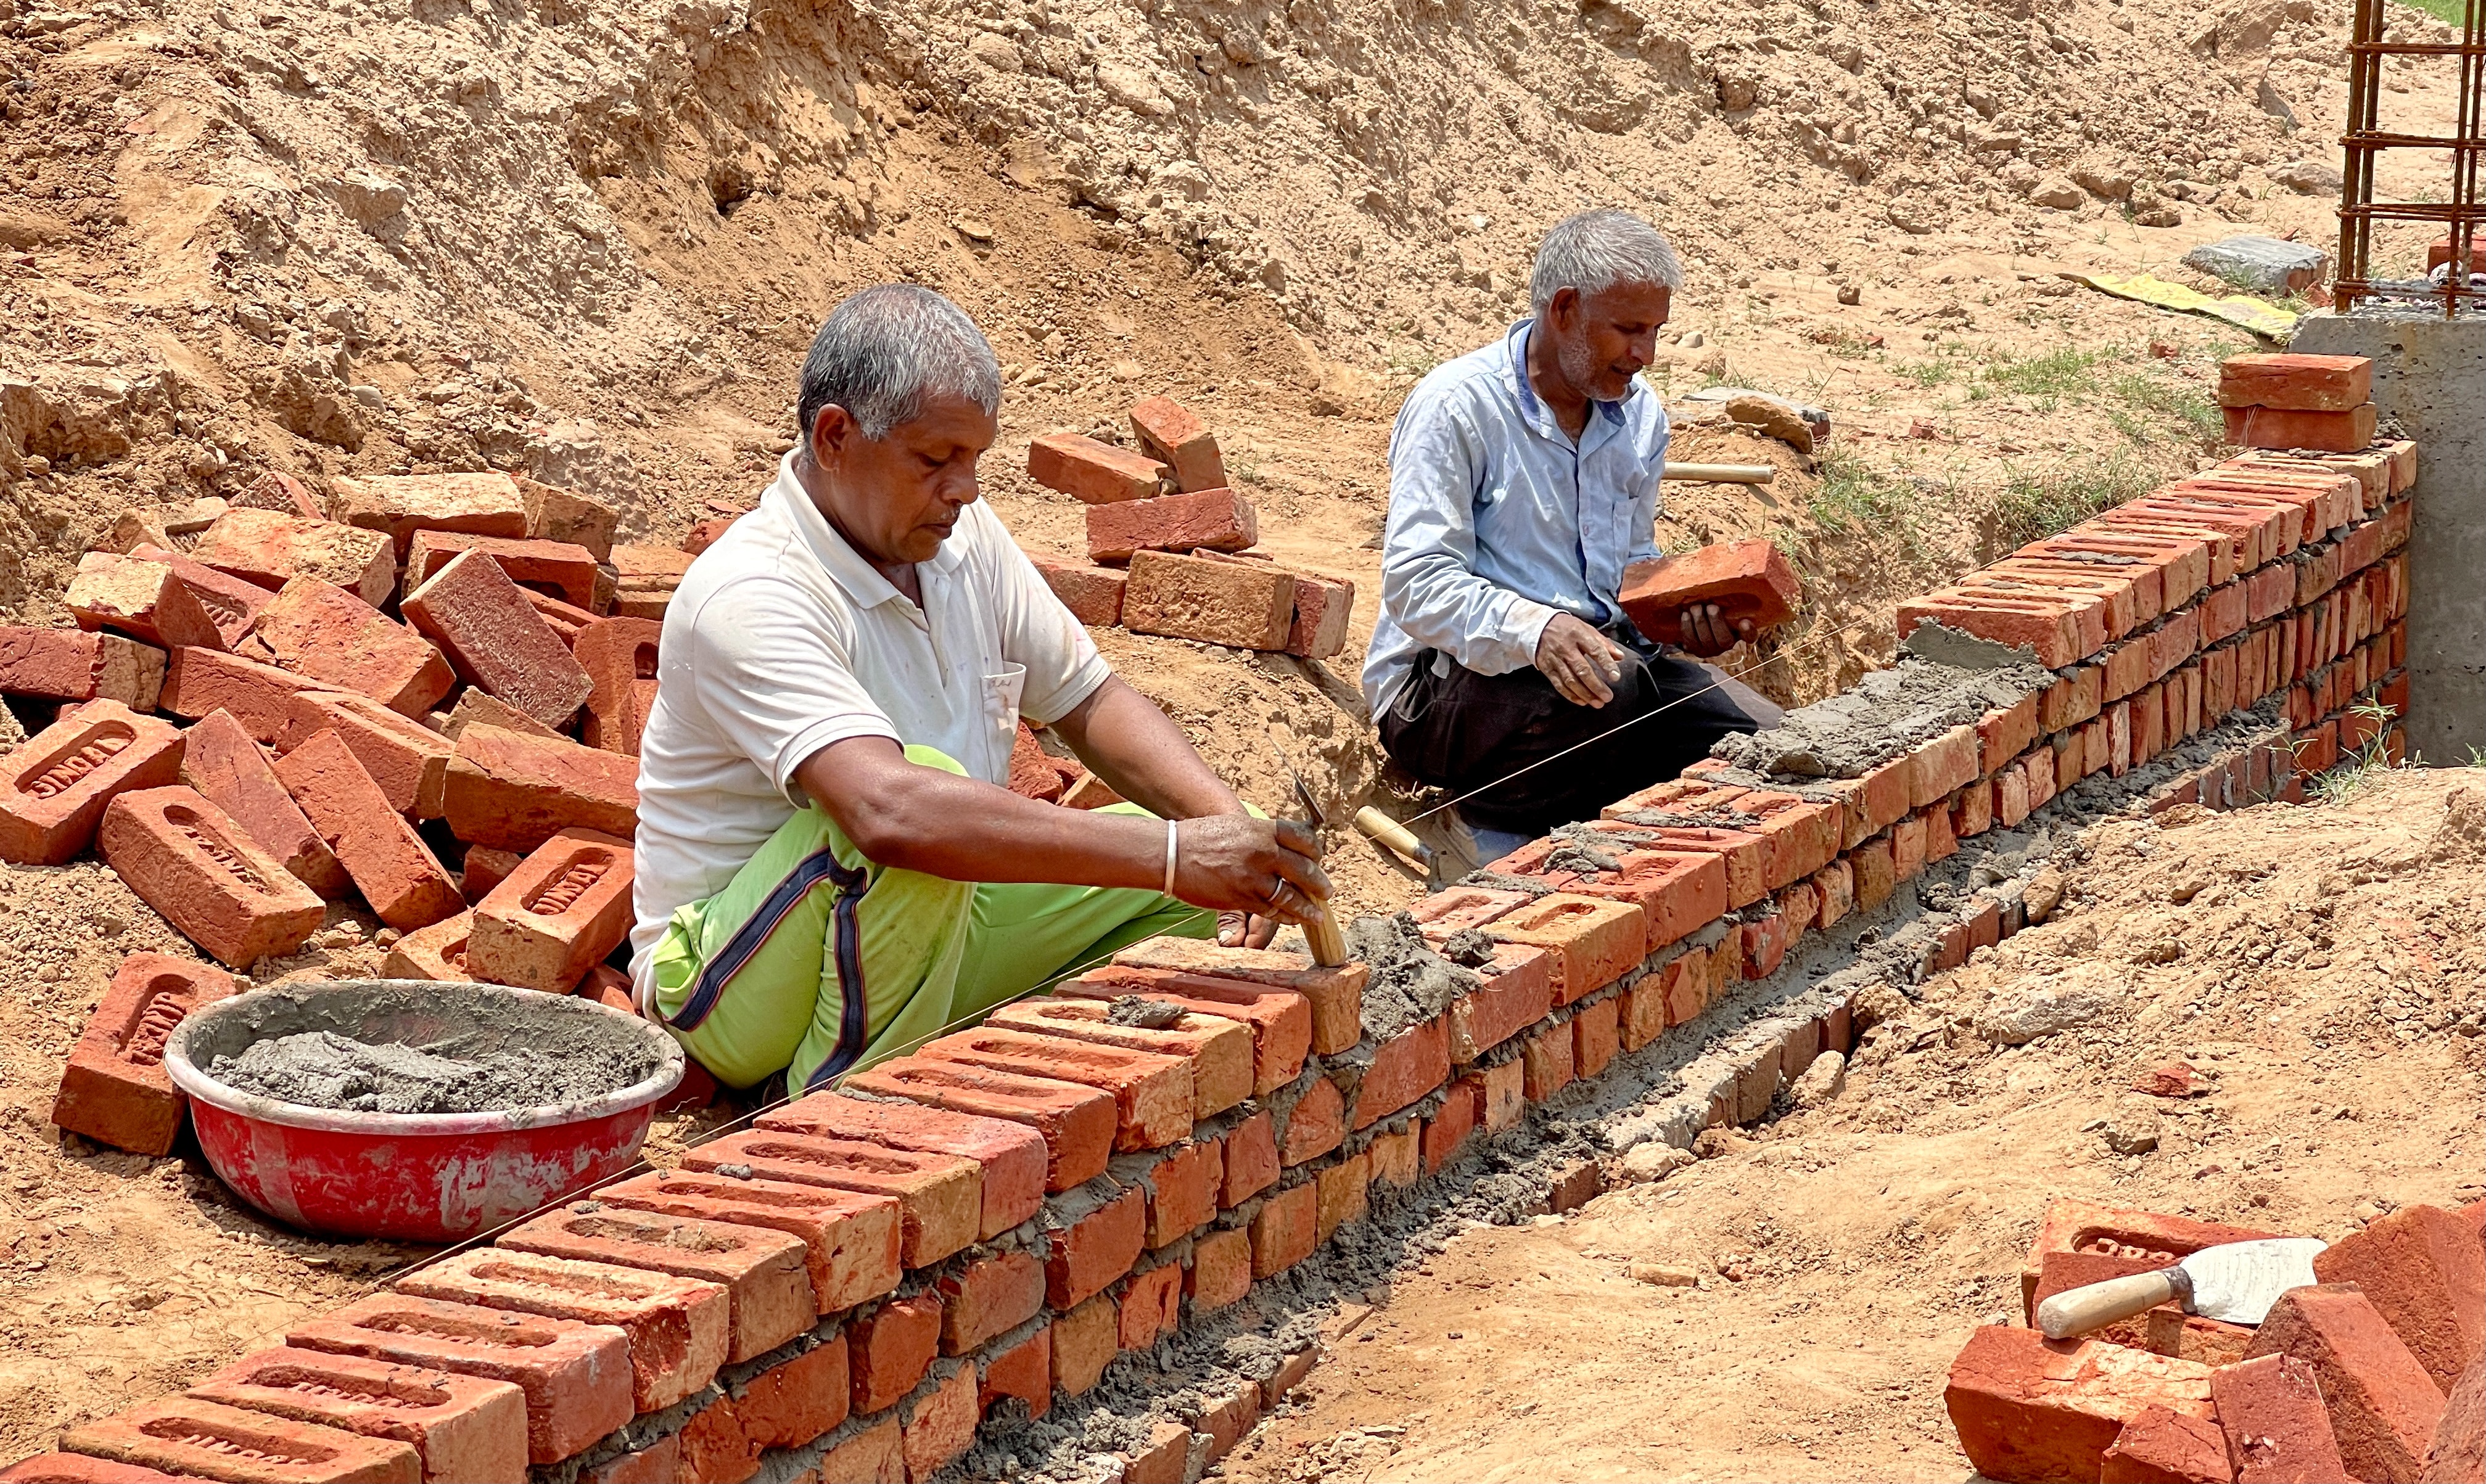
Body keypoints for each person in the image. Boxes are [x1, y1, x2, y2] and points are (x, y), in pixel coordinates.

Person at [629, 284, 1330, 1095]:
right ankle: (837, 1116)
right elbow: (886, 814)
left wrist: (1221, 835)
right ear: (834, 437)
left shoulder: (960, 536)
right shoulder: (752, 590)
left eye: (974, 459)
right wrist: (1175, 855)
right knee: (925, 818)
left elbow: (1089, 701)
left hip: (930, 915)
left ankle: (1064, 1088)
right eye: (934, 460)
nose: (963, 488)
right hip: (732, 982)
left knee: (1194, 882)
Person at [1363, 208, 1786, 866]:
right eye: (1627, 331)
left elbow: (1626, 574)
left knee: (1769, 745)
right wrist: (1536, 629)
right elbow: (1416, 585)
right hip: (1445, 692)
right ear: (1562, 309)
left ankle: (1610, 800)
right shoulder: (1456, 405)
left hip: (1593, 677)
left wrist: (1677, 618)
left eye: (1654, 332)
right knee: (1606, 685)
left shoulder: (1637, 414)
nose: (1644, 355)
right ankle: (1485, 822)